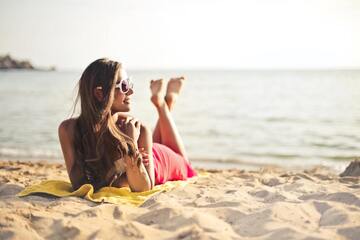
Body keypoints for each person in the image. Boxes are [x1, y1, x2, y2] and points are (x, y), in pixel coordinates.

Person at [58, 58, 197, 192]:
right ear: (99, 94)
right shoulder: (68, 130)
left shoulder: (137, 129)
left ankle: (163, 103)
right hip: (144, 156)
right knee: (159, 144)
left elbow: (143, 188)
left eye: (129, 84)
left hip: (161, 161)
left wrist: (131, 144)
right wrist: (124, 171)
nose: (131, 91)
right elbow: (78, 184)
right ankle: (167, 102)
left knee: (186, 166)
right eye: (124, 86)